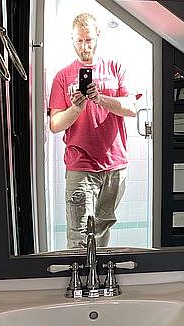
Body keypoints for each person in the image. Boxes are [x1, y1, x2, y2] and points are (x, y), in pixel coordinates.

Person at [48, 13, 138, 248]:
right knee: (79, 236)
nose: (84, 46)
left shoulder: (116, 68)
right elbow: (55, 124)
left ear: (98, 35)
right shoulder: (62, 76)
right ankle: (80, 272)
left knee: (101, 230)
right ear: (72, 39)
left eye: (88, 40)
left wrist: (100, 98)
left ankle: (98, 271)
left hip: (115, 165)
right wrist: (76, 109)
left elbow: (132, 108)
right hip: (80, 165)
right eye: (79, 41)